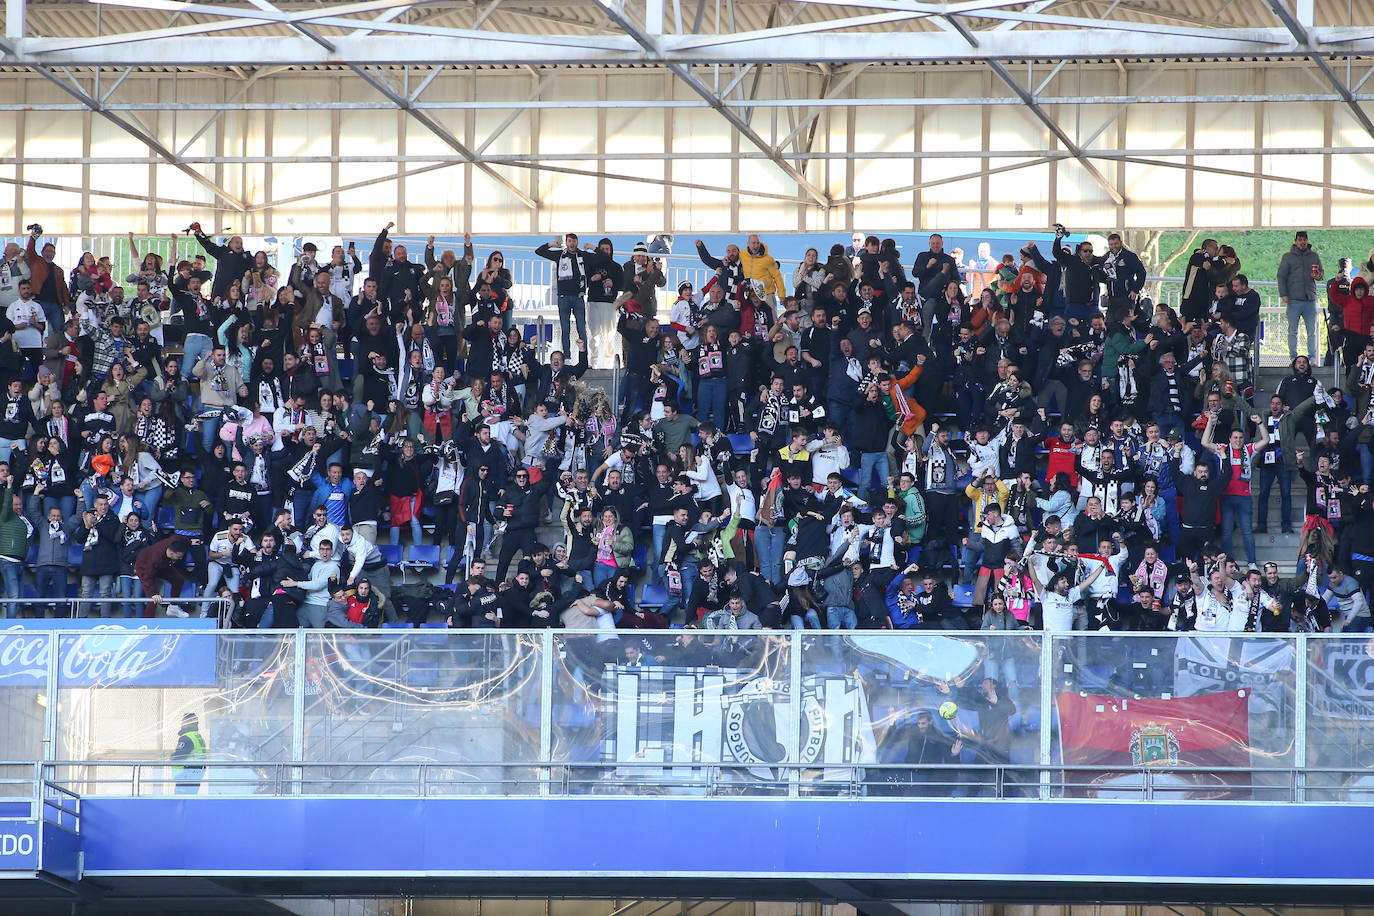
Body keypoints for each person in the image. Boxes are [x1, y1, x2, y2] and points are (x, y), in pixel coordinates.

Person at [171, 712, 207, 795]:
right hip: (196, 774)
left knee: (181, 800)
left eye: (183, 722)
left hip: (186, 774)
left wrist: (171, 756)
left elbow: (179, 756)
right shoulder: (198, 736)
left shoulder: (186, 737)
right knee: (191, 798)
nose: (182, 724)